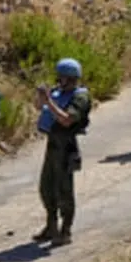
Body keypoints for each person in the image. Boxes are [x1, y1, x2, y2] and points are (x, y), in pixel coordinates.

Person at [33, 57, 91, 247]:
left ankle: (65, 231)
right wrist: (43, 97)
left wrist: (49, 102)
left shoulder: (80, 97)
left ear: (70, 78)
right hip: (53, 144)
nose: (59, 80)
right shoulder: (58, 94)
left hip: (66, 146)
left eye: (62, 77)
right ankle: (51, 226)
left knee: (64, 191)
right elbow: (39, 107)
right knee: (46, 188)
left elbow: (67, 120)